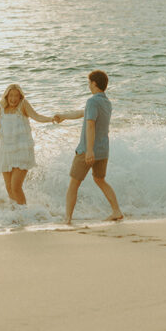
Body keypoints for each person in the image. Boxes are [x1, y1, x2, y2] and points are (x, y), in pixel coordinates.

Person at [54, 70, 123, 224]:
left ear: (94, 83)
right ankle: (116, 211)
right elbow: (82, 113)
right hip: (103, 150)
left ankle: (67, 219)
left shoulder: (92, 101)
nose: (88, 86)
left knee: (73, 184)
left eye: (89, 83)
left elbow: (90, 125)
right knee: (100, 180)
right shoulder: (106, 102)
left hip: (87, 149)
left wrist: (89, 150)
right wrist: (64, 116)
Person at [0, 83, 54, 205]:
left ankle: (23, 214)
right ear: (6, 96)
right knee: (9, 187)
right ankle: (15, 215)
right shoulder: (0, 108)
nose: (13, 99)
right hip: (5, 151)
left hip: (22, 151)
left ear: (20, 97)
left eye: (16, 96)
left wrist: (51, 119)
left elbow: (36, 116)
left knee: (15, 187)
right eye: (11, 96)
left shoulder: (23, 105)